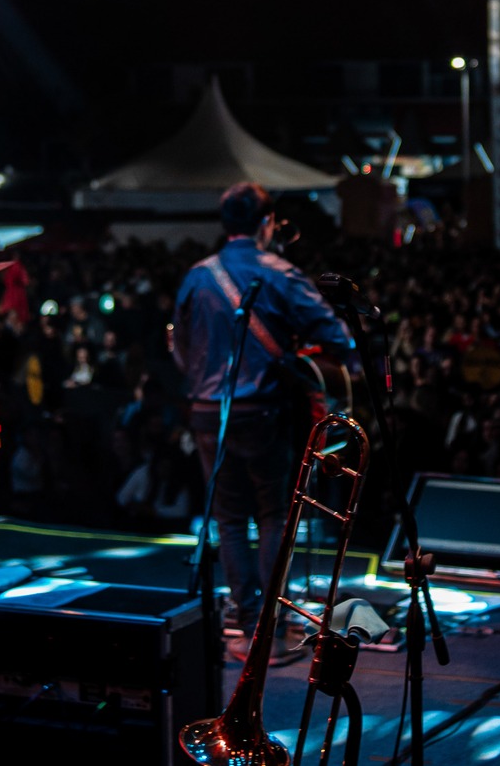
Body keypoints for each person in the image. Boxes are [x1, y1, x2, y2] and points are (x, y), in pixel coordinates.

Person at [172, 182, 358, 658]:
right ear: (266, 223)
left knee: (230, 520)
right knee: (274, 514)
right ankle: (271, 632)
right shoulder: (280, 271)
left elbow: (181, 349)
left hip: (207, 411)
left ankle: (251, 624)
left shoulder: (196, 275)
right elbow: (337, 336)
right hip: (264, 411)